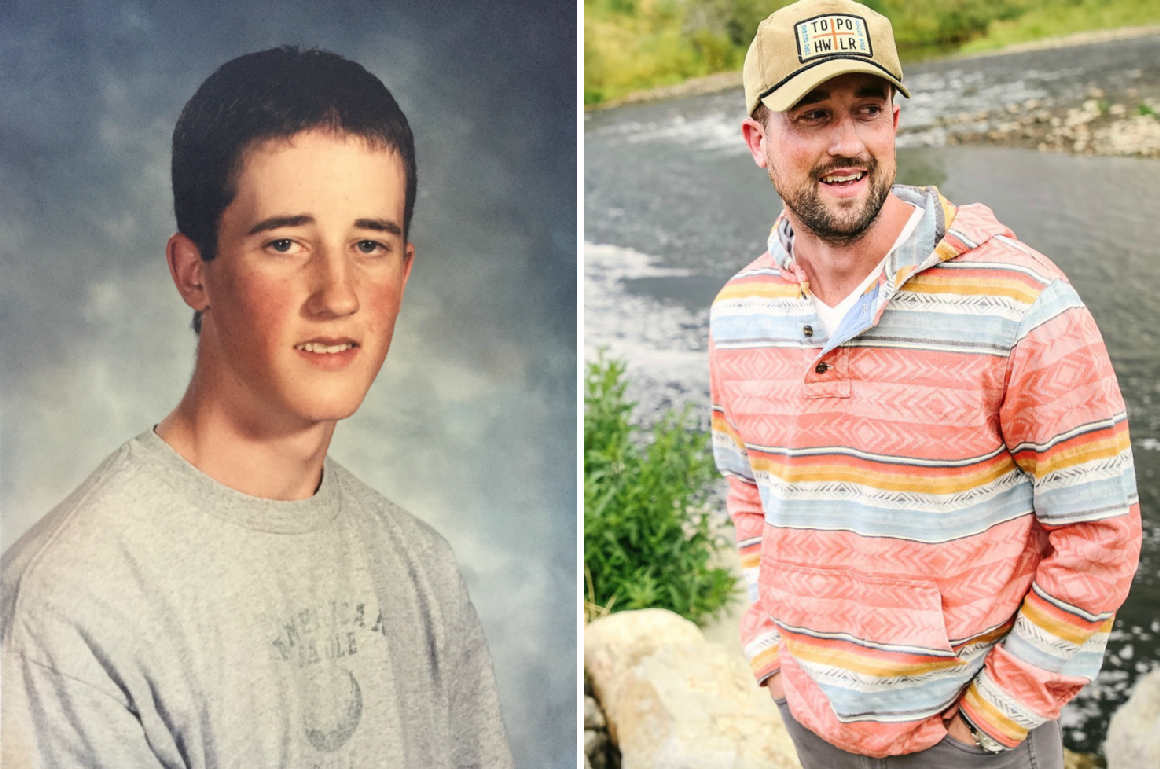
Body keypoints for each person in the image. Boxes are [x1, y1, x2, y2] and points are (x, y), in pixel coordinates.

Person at [1, 47, 513, 769]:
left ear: (404, 270)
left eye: (369, 243)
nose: (337, 295)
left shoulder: (421, 567)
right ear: (193, 273)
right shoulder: (74, 605)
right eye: (284, 242)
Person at [708, 1, 1141, 766]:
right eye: (811, 116)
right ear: (756, 140)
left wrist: (991, 722)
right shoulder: (738, 314)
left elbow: (1100, 535)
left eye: (867, 110)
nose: (848, 144)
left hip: (968, 739)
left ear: (895, 124)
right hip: (813, 720)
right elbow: (747, 489)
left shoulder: (1023, 303)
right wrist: (774, 653)